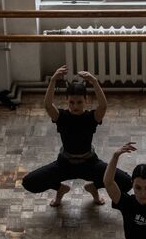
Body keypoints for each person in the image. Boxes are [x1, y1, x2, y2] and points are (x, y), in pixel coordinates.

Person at [21, 66, 132, 206]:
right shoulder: (61, 117)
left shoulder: (91, 118)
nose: (75, 106)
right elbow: (48, 105)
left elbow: (103, 106)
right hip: (65, 164)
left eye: (79, 102)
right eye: (71, 102)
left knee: (127, 183)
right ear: (67, 100)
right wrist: (53, 80)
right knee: (29, 182)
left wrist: (95, 82)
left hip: (90, 163)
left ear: (86, 100)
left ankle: (94, 187)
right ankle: (61, 189)